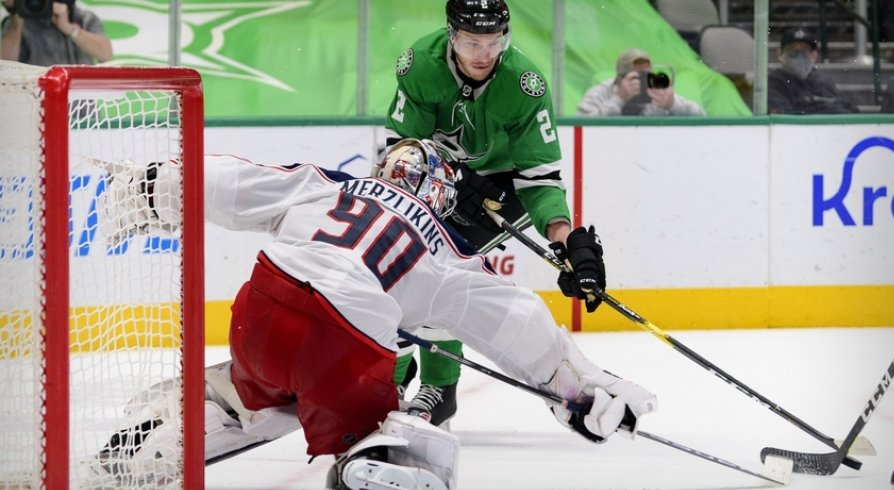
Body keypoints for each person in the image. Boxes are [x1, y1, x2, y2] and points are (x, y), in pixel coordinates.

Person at [93, 139, 657, 490]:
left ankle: (153, 442)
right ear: (437, 191)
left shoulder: (327, 186)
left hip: (259, 313)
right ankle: (379, 463)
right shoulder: (445, 246)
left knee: (260, 396)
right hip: (343, 344)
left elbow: (234, 182)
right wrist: (577, 389)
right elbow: (511, 317)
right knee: (411, 450)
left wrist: (151, 188)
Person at [385, 0, 606, 431]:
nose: (484, 53)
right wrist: (448, 179)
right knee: (395, 273)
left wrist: (567, 239)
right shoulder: (419, 66)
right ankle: (387, 378)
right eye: (472, 42)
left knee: (443, 276)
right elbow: (402, 152)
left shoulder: (524, 86)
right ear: (451, 36)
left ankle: (440, 390)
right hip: (431, 175)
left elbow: (540, 180)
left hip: (501, 191)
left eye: (494, 41)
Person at [577, 48, 706, 116]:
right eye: (636, 77)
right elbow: (580, 126)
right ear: (620, 78)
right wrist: (618, 99)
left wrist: (673, 104)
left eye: (647, 76)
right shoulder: (601, 93)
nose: (642, 83)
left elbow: (701, 118)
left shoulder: (655, 93)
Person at [768, 26, 858, 114]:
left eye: (805, 51)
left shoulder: (823, 82)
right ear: (780, 54)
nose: (799, 56)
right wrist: (825, 108)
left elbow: (850, 109)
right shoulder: (772, 82)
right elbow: (784, 116)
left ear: (814, 55)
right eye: (792, 51)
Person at [1, 0, 112, 65]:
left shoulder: (85, 19)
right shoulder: (16, 23)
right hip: (37, 100)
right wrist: (18, 11)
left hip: (80, 100)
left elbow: (106, 54)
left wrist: (69, 29)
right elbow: (5, 64)